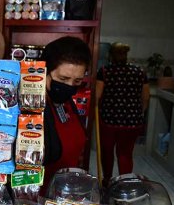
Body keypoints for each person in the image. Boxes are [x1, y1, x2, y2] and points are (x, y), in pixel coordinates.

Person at [96, 42, 149, 186]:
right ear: (126, 55)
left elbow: (97, 95)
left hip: (109, 121)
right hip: (132, 122)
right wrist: (139, 112)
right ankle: (124, 184)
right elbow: (145, 97)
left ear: (111, 55)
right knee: (125, 154)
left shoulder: (105, 71)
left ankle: (107, 181)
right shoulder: (139, 71)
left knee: (107, 152)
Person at [42, 36, 92, 189]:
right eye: (63, 79)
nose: (70, 87)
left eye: (77, 81)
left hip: (65, 195)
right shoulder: (30, 110)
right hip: (37, 201)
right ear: (43, 72)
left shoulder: (68, 103)